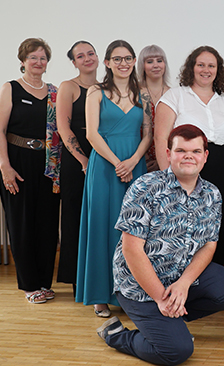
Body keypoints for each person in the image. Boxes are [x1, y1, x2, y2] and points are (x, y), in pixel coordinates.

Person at [96, 125, 224, 366]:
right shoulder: (146, 186)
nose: (189, 156)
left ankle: (171, 322)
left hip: (180, 276)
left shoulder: (212, 194)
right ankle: (118, 336)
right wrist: (160, 298)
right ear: (168, 154)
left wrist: (184, 284)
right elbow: (131, 249)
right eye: (181, 150)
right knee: (176, 352)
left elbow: (209, 245)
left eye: (196, 151)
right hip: (140, 286)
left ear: (205, 157)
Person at [76, 40, 152, 317]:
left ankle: (130, 293)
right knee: (102, 226)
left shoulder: (142, 93)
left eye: (128, 58)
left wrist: (132, 162)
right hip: (106, 166)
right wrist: (118, 163)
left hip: (135, 165)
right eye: (117, 59)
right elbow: (91, 134)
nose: (123, 63)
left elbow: (148, 134)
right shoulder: (96, 92)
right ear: (107, 62)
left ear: (134, 61)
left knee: (133, 231)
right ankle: (99, 295)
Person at [156, 46, 224, 265]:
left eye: (211, 66)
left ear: (218, 70)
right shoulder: (174, 97)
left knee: (212, 227)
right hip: (184, 168)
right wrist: (166, 177)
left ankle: (213, 287)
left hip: (218, 169)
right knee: (182, 226)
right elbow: (160, 139)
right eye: (201, 65)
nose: (206, 70)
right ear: (191, 68)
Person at [0, 38, 60, 304]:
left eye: (42, 58)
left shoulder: (54, 92)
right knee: (22, 223)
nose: (38, 62)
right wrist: (5, 166)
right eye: (33, 57)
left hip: (48, 164)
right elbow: (0, 130)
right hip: (17, 160)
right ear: (23, 61)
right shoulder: (11, 88)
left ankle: (45, 283)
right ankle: (29, 285)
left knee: (47, 224)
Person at [56, 40, 99, 291]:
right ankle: (76, 280)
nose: (87, 58)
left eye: (90, 53)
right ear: (74, 62)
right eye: (80, 56)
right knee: (74, 218)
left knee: (98, 218)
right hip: (76, 162)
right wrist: (83, 159)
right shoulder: (68, 87)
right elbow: (63, 127)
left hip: (102, 156)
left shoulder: (106, 87)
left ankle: (97, 276)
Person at [137, 44, 171, 172]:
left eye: (159, 60)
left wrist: (161, 159)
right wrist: (143, 157)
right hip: (138, 158)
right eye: (150, 61)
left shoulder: (175, 94)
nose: (156, 65)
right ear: (142, 66)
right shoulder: (133, 94)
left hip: (168, 159)